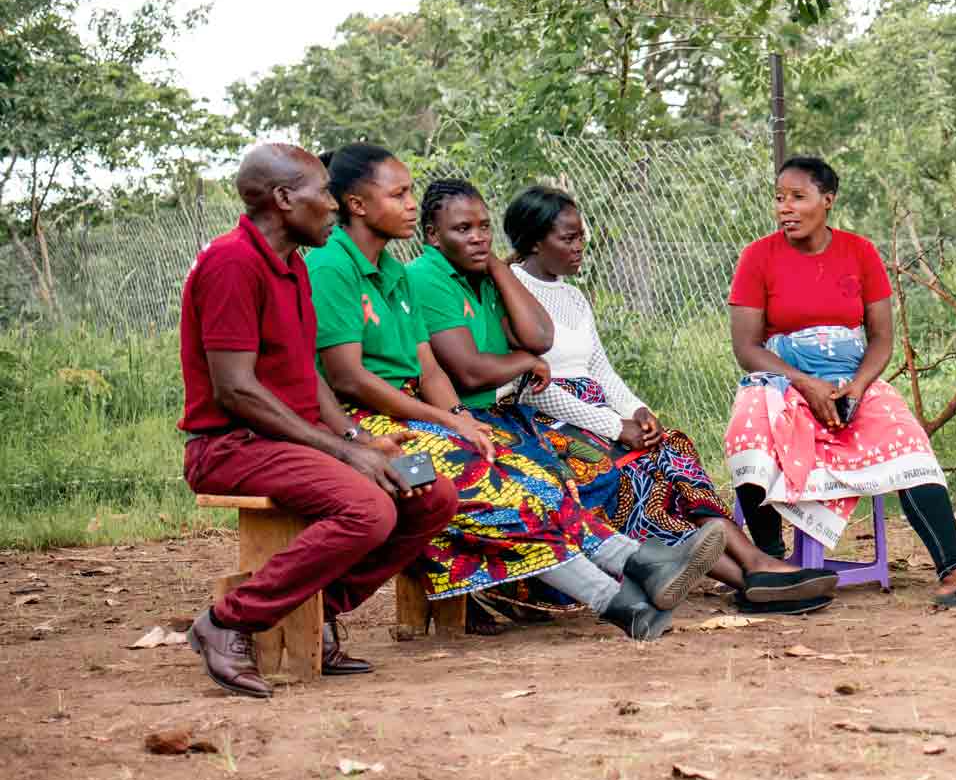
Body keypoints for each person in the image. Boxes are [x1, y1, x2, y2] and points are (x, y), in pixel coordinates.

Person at [307, 144, 715, 642]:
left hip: (412, 417)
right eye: (399, 193)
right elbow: (348, 378)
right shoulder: (331, 267)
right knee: (485, 490)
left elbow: (429, 367)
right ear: (357, 204)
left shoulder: (392, 272)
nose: (411, 203)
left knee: (531, 475)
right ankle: (615, 595)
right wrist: (449, 420)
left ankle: (635, 567)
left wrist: (456, 416)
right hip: (363, 428)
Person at [179, 145, 460, 698]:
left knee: (430, 495)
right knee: (367, 508)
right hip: (229, 445)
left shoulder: (294, 264)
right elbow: (235, 389)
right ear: (284, 199)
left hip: (285, 439)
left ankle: (315, 610)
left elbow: (309, 378)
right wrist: (339, 452)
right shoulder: (232, 262)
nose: (334, 205)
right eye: (323, 193)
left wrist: (358, 438)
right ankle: (229, 621)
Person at [502, 184, 839, 613]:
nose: (580, 246)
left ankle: (755, 564)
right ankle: (747, 581)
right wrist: (612, 427)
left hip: (597, 411)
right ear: (533, 241)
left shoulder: (572, 294)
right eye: (567, 239)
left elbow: (600, 369)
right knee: (637, 472)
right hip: (548, 421)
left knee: (671, 447)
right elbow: (533, 389)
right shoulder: (511, 290)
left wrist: (637, 411)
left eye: (582, 235)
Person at [724, 155, 956, 609]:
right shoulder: (757, 257)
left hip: (849, 382)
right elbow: (747, 348)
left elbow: (881, 339)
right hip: (782, 380)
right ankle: (771, 569)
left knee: (909, 440)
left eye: (798, 197)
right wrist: (804, 383)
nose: (785, 208)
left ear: (828, 200)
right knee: (749, 430)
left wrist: (857, 388)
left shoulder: (859, 252)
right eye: (780, 198)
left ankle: (954, 572)